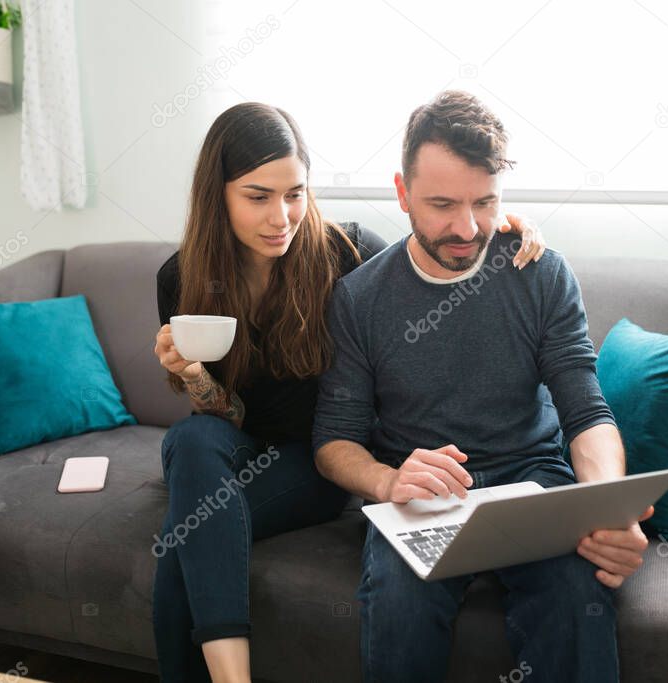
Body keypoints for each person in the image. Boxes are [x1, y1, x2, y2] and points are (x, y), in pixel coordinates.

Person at [151, 101, 548, 683]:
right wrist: (190, 376)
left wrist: (503, 232)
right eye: (258, 196)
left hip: (316, 465)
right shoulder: (181, 278)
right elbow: (227, 415)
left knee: (177, 545)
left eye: (295, 193)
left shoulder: (347, 252)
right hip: (227, 455)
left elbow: (431, 270)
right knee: (191, 438)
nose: (281, 216)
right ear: (219, 195)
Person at [312, 90, 653, 683]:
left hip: (535, 479)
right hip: (421, 496)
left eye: (485, 203)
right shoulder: (360, 298)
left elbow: (586, 410)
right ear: (401, 192)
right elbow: (332, 442)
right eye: (442, 204)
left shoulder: (540, 271)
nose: (467, 228)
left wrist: (606, 506)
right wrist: (390, 480)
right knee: (398, 606)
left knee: (579, 596)